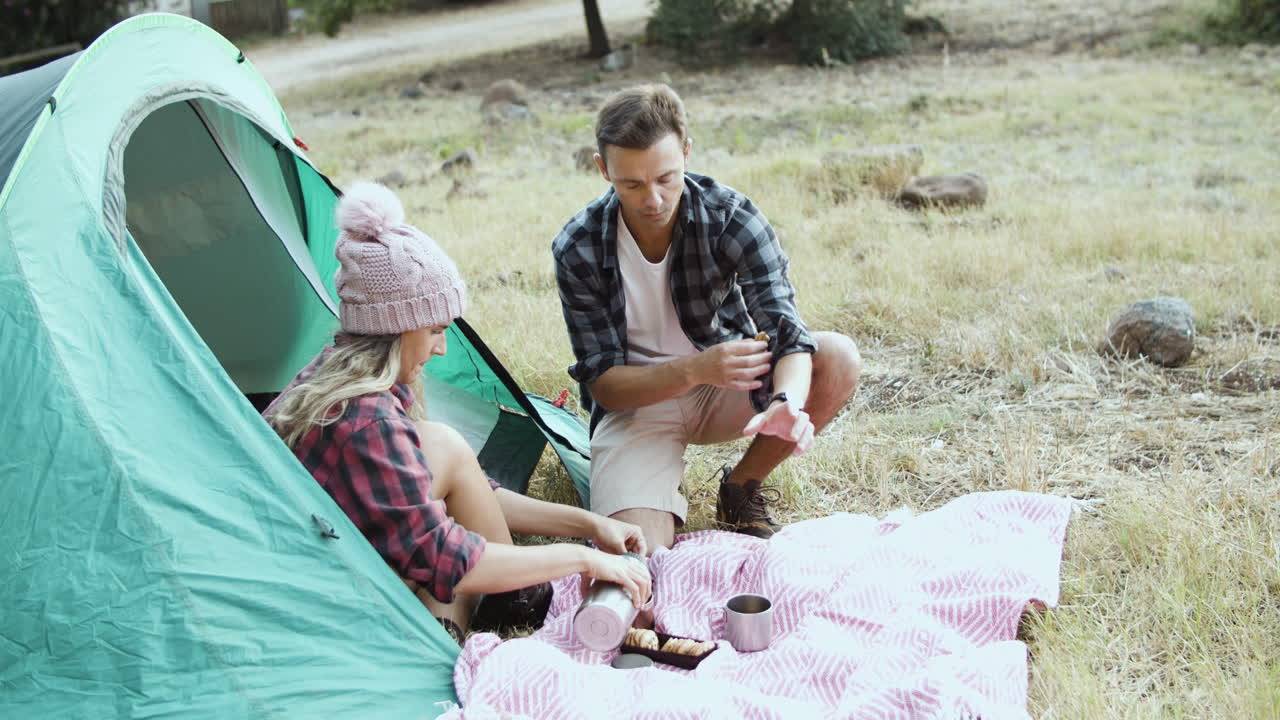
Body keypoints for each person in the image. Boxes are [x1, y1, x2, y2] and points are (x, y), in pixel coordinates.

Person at [265, 181, 650, 643]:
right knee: (452, 554)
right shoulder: (368, 420)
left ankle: (501, 601)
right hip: (330, 600)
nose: (442, 347)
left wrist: (589, 524)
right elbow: (449, 559)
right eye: (433, 330)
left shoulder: (337, 375)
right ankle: (446, 634)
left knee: (444, 444)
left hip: (331, 554)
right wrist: (584, 558)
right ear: (395, 329)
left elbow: (478, 493)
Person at [552, 84, 862, 553]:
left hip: (730, 385)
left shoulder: (730, 215)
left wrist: (785, 400)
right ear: (602, 169)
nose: (652, 199)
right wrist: (693, 369)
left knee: (837, 356)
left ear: (687, 153)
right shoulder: (578, 246)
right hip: (640, 403)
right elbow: (605, 387)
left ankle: (740, 489)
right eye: (631, 184)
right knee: (637, 563)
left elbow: (786, 331)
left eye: (666, 178)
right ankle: (651, 498)